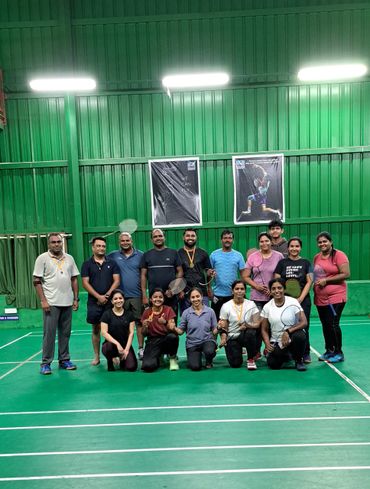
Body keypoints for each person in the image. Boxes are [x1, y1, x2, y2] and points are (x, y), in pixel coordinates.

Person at [33, 233, 79, 375]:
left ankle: (64, 360)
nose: (56, 244)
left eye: (59, 241)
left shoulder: (69, 258)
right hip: (51, 303)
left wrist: (75, 299)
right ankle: (45, 363)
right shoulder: (42, 258)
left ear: (62, 243)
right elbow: (36, 281)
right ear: (49, 244)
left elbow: (74, 279)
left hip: (67, 302)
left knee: (65, 333)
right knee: (49, 334)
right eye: (53, 242)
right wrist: (43, 301)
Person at [81, 237, 120, 366]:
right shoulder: (87, 264)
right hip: (94, 303)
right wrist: (98, 297)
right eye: (98, 246)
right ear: (93, 247)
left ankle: (113, 355)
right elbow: (85, 283)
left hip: (110, 302)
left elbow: (117, 280)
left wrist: (107, 295)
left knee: (112, 329)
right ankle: (97, 356)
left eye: (103, 246)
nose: (101, 248)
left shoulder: (112, 263)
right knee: (96, 329)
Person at [274, 237, 313, 363]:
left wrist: (300, 298)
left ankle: (305, 353)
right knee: (285, 325)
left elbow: (309, 281)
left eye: (297, 246)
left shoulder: (306, 263)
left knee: (303, 327)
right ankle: (288, 351)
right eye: (292, 246)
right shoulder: (282, 263)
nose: (294, 249)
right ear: (288, 248)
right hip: (285, 301)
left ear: (300, 248)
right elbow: (277, 281)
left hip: (303, 300)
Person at [313, 231, 350, 363]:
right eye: (320, 242)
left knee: (333, 323)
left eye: (325, 241)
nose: (322, 244)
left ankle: (339, 353)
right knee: (325, 324)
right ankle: (329, 350)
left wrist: (326, 281)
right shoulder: (317, 257)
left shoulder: (339, 255)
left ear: (331, 242)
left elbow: (346, 274)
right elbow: (317, 275)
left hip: (336, 296)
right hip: (320, 298)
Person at [108, 232, 145, 360]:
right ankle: (119, 349)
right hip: (119, 297)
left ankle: (141, 349)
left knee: (139, 323)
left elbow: (144, 274)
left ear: (131, 241)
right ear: (119, 242)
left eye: (127, 240)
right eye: (122, 241)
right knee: (118, 324)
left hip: (136, 295)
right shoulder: (112, 256)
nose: (125, 242)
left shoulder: (140, 255)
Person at [261, 278, 308, 371]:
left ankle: (299, 360)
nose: (277, 291)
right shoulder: (267, 307)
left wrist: (287, 331)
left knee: (300, 336)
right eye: (273, 289)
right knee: (273, 364)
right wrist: (267, 343)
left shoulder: (293, 302)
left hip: (292, 337)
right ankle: (287, 355)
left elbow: (304, 322)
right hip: (277, 341)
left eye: (279, 288)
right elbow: (264, 329)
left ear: (284, 289)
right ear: (270, 291)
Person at [170, 287, 217, 371]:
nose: (195, 299)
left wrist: (219, 327)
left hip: (207, 340)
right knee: (195, 367)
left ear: (202, 297)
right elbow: (181, 331)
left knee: (209, 351)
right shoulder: (186, 313)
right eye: (193, 297)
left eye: (197, 296)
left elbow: (214, 330)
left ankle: (208, 360)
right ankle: (196, 356)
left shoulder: (210, 311)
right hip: (192, 344)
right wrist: (174, 328)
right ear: (189, 299)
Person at [141, 229, 183, 316]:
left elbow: (180, 272)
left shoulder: (173, 253)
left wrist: (173, 289)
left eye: (160, 236)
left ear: (164, 238)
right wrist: (144, 295)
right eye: (155, 237)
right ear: (152, 239)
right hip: (154, 297)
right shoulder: (146, 255)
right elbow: (143, 276)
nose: (158, 238)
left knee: (171, 323)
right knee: (155, 323)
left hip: (171, 296)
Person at [218, 280, 260, 370]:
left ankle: (250, 359)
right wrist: (223, 338)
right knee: (235, 364)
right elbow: (223, 326)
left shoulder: (251, 304)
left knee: (251, 332)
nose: (239, 291)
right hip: (232, 336)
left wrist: (248, 325)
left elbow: (257, 324)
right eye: (237, 289)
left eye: (242, 289)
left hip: (245, 334)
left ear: (245, 290)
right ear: (232, 291)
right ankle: (237, 349)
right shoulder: (226, 306)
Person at [141, 288, 180, 372]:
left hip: (166, 338)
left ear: (163, 299)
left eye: (160, 297)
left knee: (173, 337)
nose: (158, 299)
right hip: (153, 341)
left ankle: (172, 359)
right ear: (151, 299)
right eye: (155, 297)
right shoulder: (146, 312)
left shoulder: (168, 309)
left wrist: (165, 322)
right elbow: (144, 334)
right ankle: (159, 356)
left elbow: (172, 328)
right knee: (148, 366)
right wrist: (145, 327)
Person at [209, 230, 245, 320]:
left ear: (233, 240)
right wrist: (209, 290)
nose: (227, 240)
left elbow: (243, 275)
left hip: (233, 296)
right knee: (216, 323)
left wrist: (242, 291)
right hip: (217, 295)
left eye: (230, 238)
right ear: (221, 240)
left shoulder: (238, 255)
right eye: (225, 238)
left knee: (233, 321)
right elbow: (208, 274)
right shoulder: (214, 255)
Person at [243, 232, 284, 310]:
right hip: (256, 297)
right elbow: (245, 276)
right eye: (261, 241)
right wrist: (256, 286)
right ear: (259, 243)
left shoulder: (279, 256)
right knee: (257, 321)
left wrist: (272, 289)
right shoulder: (252, 256)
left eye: (267, 241)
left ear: (271, 242)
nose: (264, 243)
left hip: (274, 296)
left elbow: (282, 276)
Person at [100, 289, 137, 372]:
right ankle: (110, 360)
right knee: (107, 347)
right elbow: (104, 332)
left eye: (120, 298)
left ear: (123, 300)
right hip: (112, 345)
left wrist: (127, 349)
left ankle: (122, 359)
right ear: (112, 301)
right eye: (115, 299)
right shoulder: (106, 314)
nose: (118, 300)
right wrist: (117, 344)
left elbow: (131, 333)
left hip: (125, 345)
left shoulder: (129, 314)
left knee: (131, 367)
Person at [178, 228, 213, 314]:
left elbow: (208, 272)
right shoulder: (178, 253)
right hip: (185, 293)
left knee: (205, 317)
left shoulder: (203, 253)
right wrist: (180, 290)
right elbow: (177, 273)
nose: (190, 238)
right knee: (187, 318)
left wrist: (209, 288)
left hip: (202, 292)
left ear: (196, 237)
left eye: (193, 236)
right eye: (188, 236)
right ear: (183, 237)